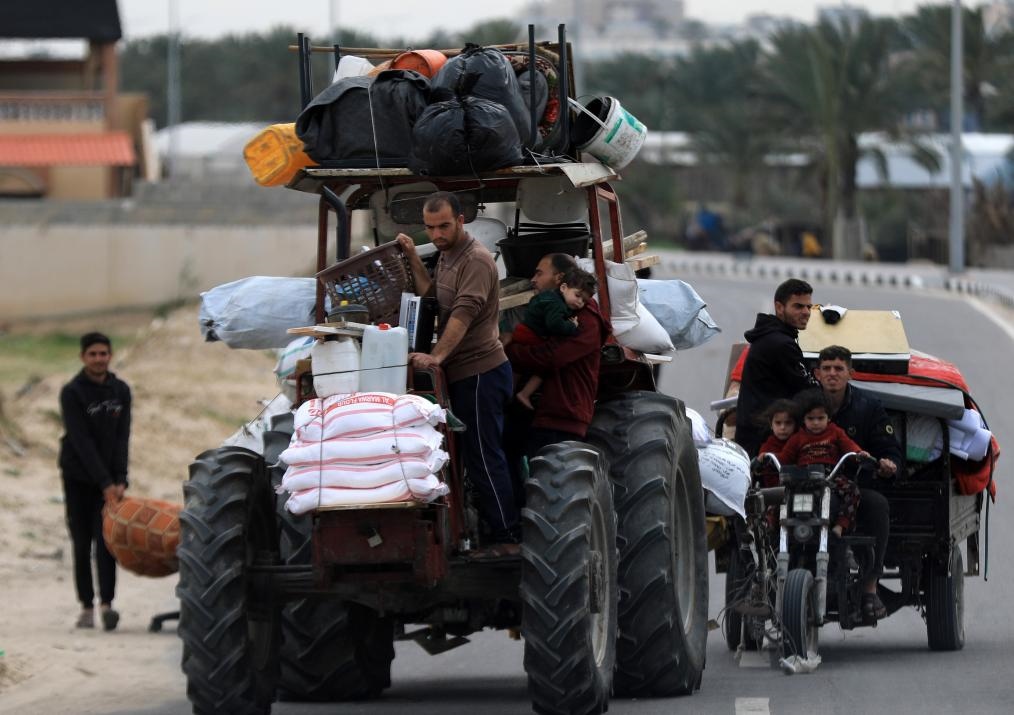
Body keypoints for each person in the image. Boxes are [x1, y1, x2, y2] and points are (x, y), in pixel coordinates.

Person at [396, 192, 518, 545]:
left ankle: (506, 534)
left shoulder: (476, 260)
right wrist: (412, 258)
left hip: (481, 372)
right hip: (461, 372)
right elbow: (435, 299)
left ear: (462, 220)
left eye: (444, 226)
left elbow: (461, 316)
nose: (437, 234)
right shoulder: (448, 255)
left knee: (483, 455)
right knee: (462, 457)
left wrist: (435, 357)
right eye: (430, 228)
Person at [814, 345, 902, 619]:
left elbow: (889, 451)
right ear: (817, 374)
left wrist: (887, 464)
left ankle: (870, 587)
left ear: (850, 373)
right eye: (826, 369)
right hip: (811, 485)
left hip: (855, 486)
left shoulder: (869, 407)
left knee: (877, 506)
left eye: (838, 369)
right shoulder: (805, 404)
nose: (832, 374)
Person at [504, 255, 610, 459]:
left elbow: (551, 357)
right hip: (540, 414)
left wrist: (508, 353)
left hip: (561, 417)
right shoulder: (553, 306)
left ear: (559, 279)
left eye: (539, 273)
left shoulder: (585, 319)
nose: (532, 279)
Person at [59, 332, 130, 630]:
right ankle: (86, 606)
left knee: (107, 543)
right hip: (78, 477)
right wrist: (105, 482)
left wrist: (121, 478)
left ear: (110, 355)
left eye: (104, 353)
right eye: (93, 354)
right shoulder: (72, 392)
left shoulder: (120, 390)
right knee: (82, 542)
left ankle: (107, 605)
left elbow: (122, 436)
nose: (99, 359)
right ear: (83, 357)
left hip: (110, 482)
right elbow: (81, 441)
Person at [735, 278, 818, 457]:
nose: (806, 312)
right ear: (780, 308)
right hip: (765, 438)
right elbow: (807, 391)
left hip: (759, 432)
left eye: (808, 307)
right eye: (798, 306)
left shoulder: (773, 336)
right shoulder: (780, 344)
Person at [777, 390, 865, 539]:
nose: (816, 422)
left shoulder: (835, 432)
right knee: (777, 495)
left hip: (830, 477)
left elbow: (850, 446)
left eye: (820, 418)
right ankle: (770, 528)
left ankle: (840, 525)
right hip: (801, 477)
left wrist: (860, 454)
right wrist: (766, 458)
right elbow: (784, 458)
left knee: (853, 490)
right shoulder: (797, 437)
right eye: (811, 418)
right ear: (803, 420)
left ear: (829, 418)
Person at [511, 265, 597, 410]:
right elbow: (554, 325)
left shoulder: (548, 297)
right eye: (577, 296)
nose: (579, 303)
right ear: (563, 287)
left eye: (583, 301)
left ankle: (509, 391)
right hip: (532, 335)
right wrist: (572, 327)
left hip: (523, 331)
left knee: (518, 367)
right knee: (545, 366)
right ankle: (525, 394)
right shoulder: (557, 305)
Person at [755, 398, 800, 488]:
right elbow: (767, 476)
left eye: (788, 423)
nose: (783, 427)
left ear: (795, 424)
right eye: (778, 423)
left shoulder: (800, 440)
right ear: (771, 424)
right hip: (776, 493)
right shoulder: (767, 448)